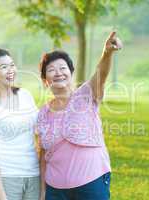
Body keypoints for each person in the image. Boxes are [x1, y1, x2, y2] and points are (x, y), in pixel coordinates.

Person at [37, 31, 123, 200]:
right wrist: (42, 190)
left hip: (91, 184)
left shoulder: (85, 95)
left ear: (71, 73)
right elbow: (42, 155)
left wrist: (107, 53)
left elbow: (101, 75)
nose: (58, 73)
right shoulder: (43, 113)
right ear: (45, 80)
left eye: (63, 68)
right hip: (55, 190)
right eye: (51, 70)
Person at [0, 48, 40, 200]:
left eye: (12, 65)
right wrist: (1, 196)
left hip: (34, 176)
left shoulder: (25, 95)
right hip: (7, 178)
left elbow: (40, 131)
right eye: (4, 67)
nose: (10, 70)